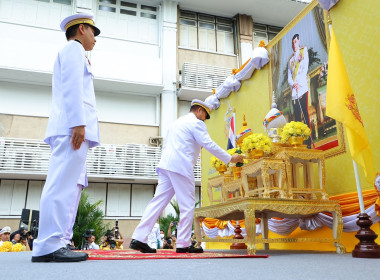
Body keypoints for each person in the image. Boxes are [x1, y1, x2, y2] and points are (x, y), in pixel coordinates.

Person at [130, 99, 244, 253]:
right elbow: (208, 143)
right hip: (181, 166)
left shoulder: (176, 122)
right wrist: (230, 158)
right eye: (205, 115)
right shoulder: (197, 123)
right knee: (188, 205)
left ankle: (139, 238)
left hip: (166, 165)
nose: (205, 119)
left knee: (157, 202)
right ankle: (183, 243)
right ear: (199, 111)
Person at [31, 13, 101, 263]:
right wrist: (78, 124)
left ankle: (57, 241)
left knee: (67, 186)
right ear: (82, 29)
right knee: (60, 185)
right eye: (93, 32)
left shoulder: (76, 52)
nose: (95, 38)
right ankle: (48, 244)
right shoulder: (73, 49)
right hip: (71, 128)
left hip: (72, 127)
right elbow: (72, 87)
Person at [287, 34, 312, 147]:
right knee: (297, 116)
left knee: (305, 114)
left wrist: (300, 85)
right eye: (292, 43)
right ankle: (300, 140)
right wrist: (293, 84)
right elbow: (289, 76)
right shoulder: (291, 60)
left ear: (299, 41)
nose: (294, 44)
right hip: (295, 91)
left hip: (302, 88)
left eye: (295, 42)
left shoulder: (303, 51)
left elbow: (305, 68)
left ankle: (309, 140)